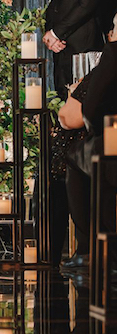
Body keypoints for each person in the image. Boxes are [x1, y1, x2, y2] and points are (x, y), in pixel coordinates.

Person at [58, 40, 117, 272]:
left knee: (76, 155)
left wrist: (96, 130)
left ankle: (89, 249)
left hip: (112, 145)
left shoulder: (113, 52)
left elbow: (91, 108)